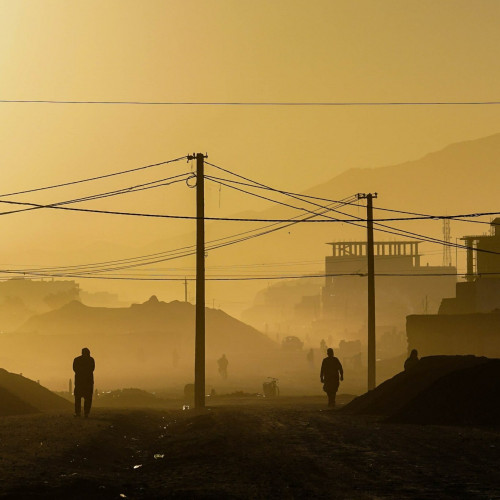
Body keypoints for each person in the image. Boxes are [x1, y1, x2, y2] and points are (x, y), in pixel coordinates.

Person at [73, 347, 95, 418]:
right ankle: (86, 413)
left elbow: (75, 369)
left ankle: (78, 413)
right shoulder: (91, 360)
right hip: (88, 382)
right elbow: (92, 369)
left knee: (78, 398)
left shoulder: (77, 360)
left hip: (79, 382)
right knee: (88, 399)